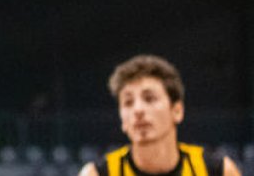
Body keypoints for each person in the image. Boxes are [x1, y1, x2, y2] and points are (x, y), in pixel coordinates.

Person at [79, 55, 241, 176]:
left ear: (177, 111)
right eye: (128, 102)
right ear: (122, 119)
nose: (138, 110)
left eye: (149, 98)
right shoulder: (96, 173)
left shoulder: (218, 171)